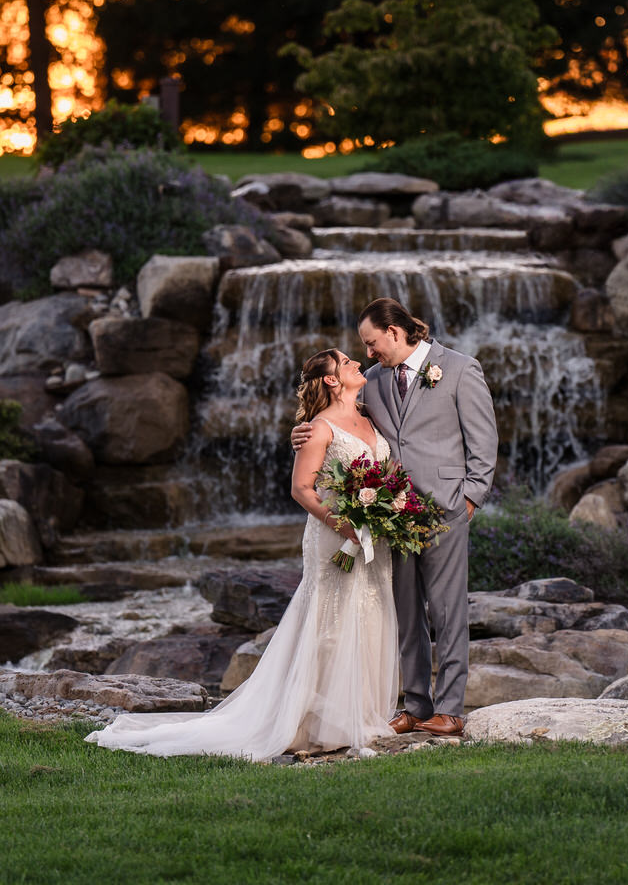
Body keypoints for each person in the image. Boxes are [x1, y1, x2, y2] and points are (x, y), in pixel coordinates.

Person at [84, 349, 398, 760]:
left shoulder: (371, 414)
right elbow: (301, 488)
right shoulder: (319, 429)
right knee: (330, 620)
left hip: (372, 537)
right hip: (333, 536)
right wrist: (339, 523)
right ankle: (314, 721)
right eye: (345, 362)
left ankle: (361, 714)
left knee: (369, 614)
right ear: (332, 381)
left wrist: (387, 509)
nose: (357, 362)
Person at [291, 297, 497, 737]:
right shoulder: (374, 381)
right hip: (392, 515)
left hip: (446, 509)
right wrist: (300, 433)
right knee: (405, 611)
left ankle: (452, 709)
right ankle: (417, 705)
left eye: (371, 343)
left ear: (394, 332)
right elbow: (339, 423)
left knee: (447, 610)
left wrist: (470, 501)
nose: (367, 353)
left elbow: (484, 444)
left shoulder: (460, 369)